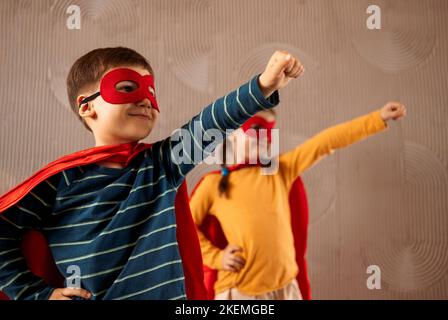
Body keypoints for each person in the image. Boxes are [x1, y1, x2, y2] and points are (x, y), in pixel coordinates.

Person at [0, 47, 303, 300]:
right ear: (87, 108)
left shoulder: (161, 164)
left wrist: (263, 85)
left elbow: (210, 123)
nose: (146, 98)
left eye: (151, 91)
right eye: (128, 87)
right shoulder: (60, 181)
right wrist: (36, 295)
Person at [190, 102, 407, 300]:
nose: (264, 137)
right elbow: (185, 229)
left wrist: (378, 118)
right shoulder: (213, 185)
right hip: (240, 293)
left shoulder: (280, 171)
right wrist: (218, 258)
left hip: (286, 289)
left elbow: (325, 142)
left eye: (268, 130)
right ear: (234, 135)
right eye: (256, 129)